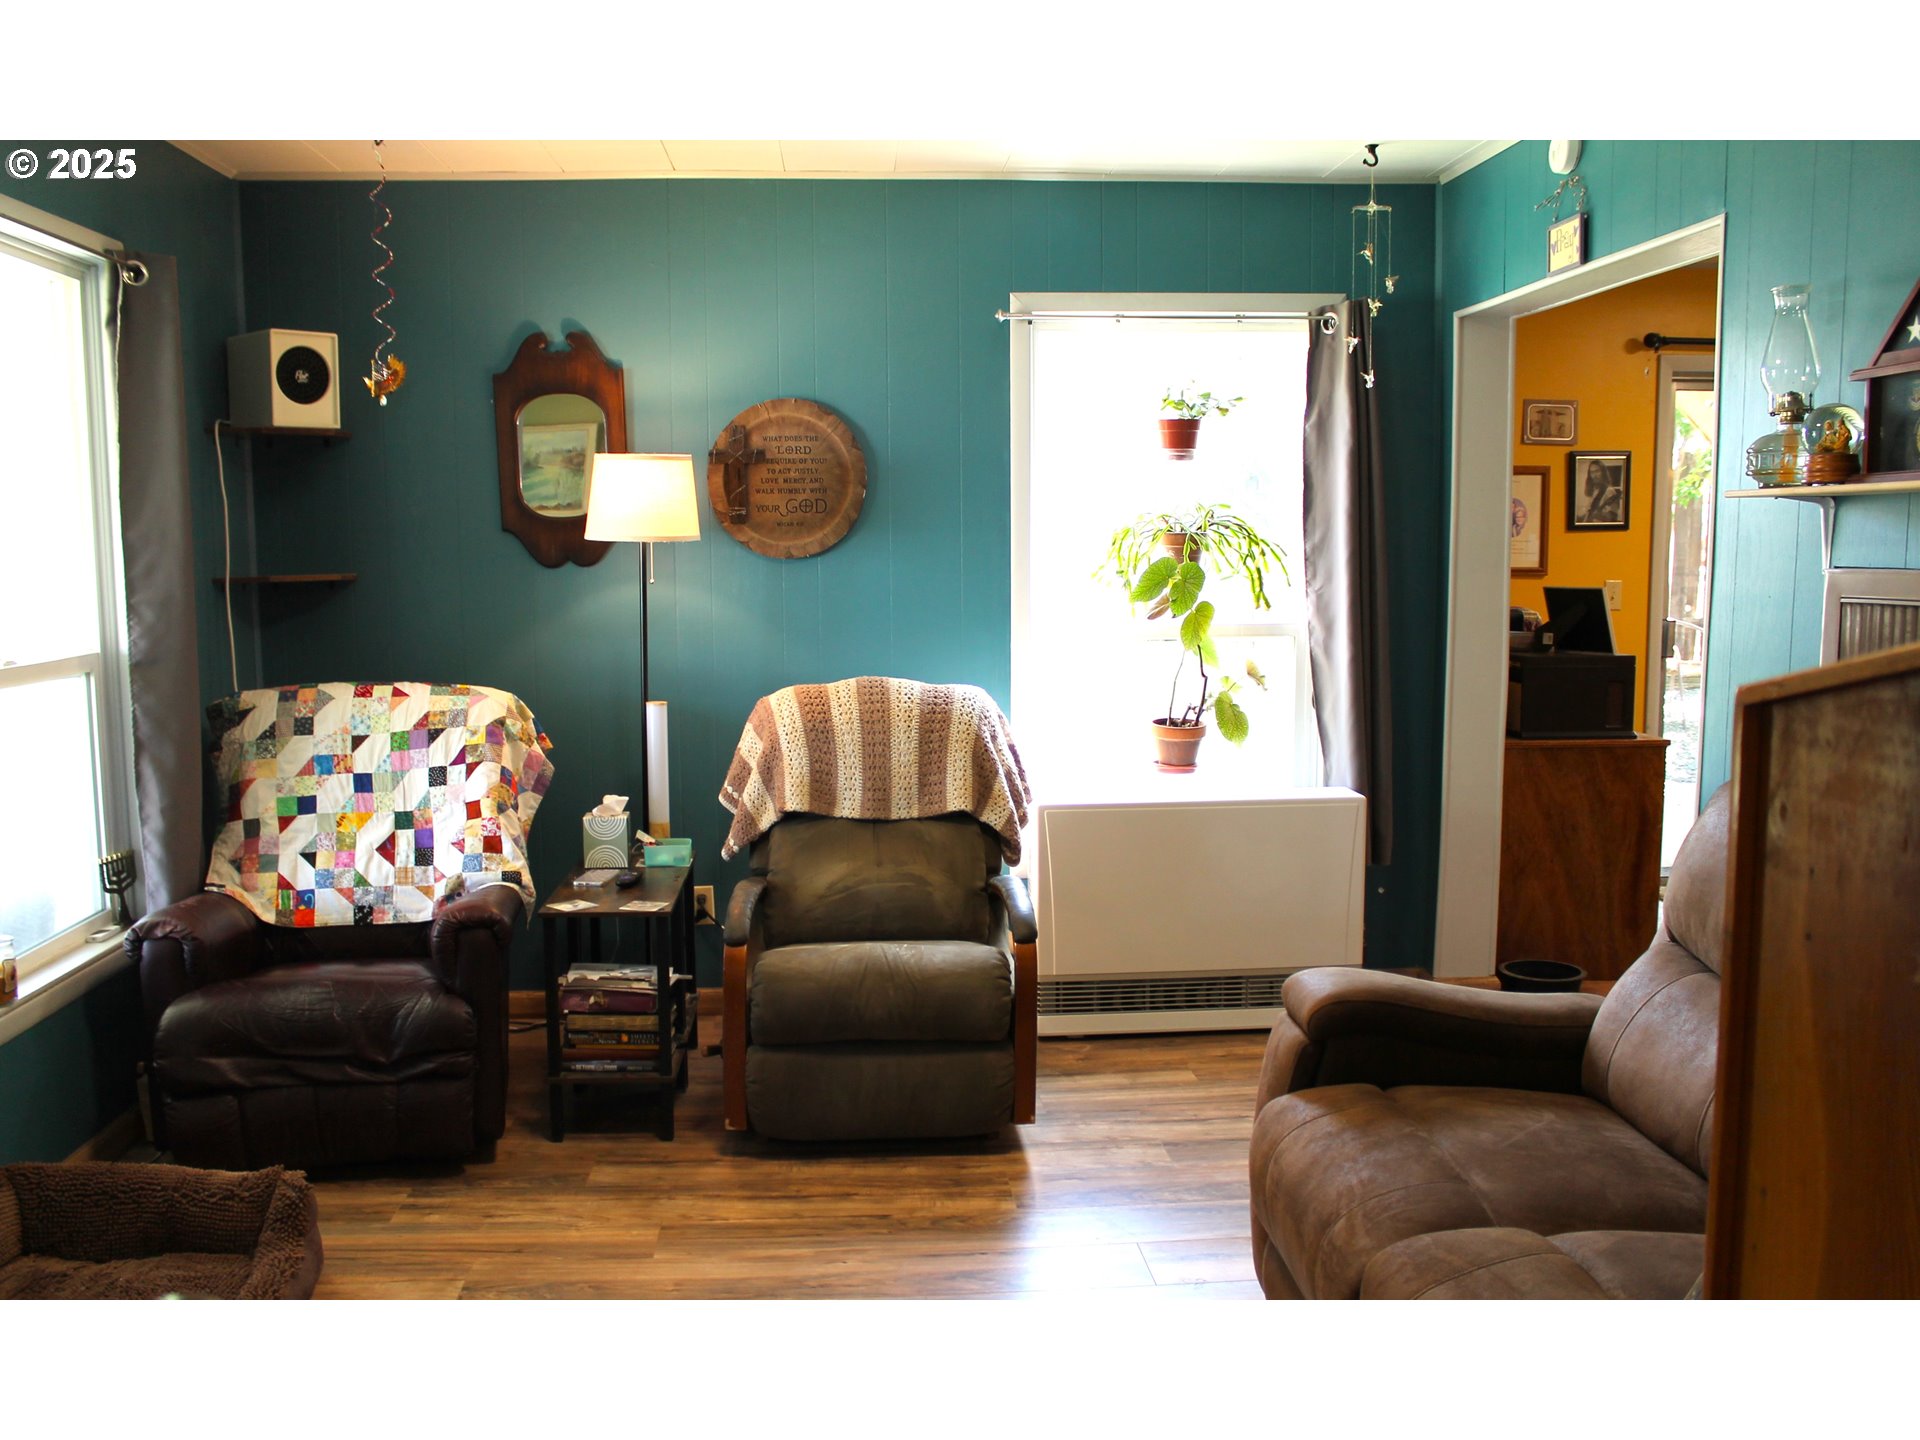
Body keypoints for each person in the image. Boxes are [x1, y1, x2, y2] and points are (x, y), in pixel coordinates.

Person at [1582, 458, 1623, 524]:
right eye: (1592, 472)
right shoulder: (1595, 490)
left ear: (1603, 472)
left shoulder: (1609, 491)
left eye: (1597, 471)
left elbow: (1613, 518)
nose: (1594, 475)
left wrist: (1602, 516)